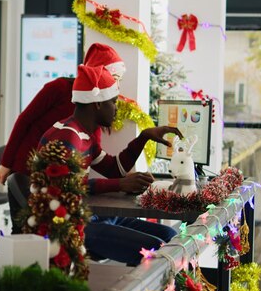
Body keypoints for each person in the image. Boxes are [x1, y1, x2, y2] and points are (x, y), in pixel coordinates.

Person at [39, 64, 182, 266]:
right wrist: (120, 184)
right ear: (97, 104)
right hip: (71, 225)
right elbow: (64, 188)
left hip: (93, 216)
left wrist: (143, 137)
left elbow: (115, 168)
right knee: (156, 251)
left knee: (171, 236)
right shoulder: (67, 137)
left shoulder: (84, 134)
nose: (116, 108)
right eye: (113, 102)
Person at [0, 43, 126, 233]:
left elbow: (94, 153)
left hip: (55, 182)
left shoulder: (94, 113)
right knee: (24, 232)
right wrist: (5, 163)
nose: (117, 85)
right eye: (114, 78)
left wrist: (122, 175)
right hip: (25, 170)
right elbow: (24, 120)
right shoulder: (59, 88)